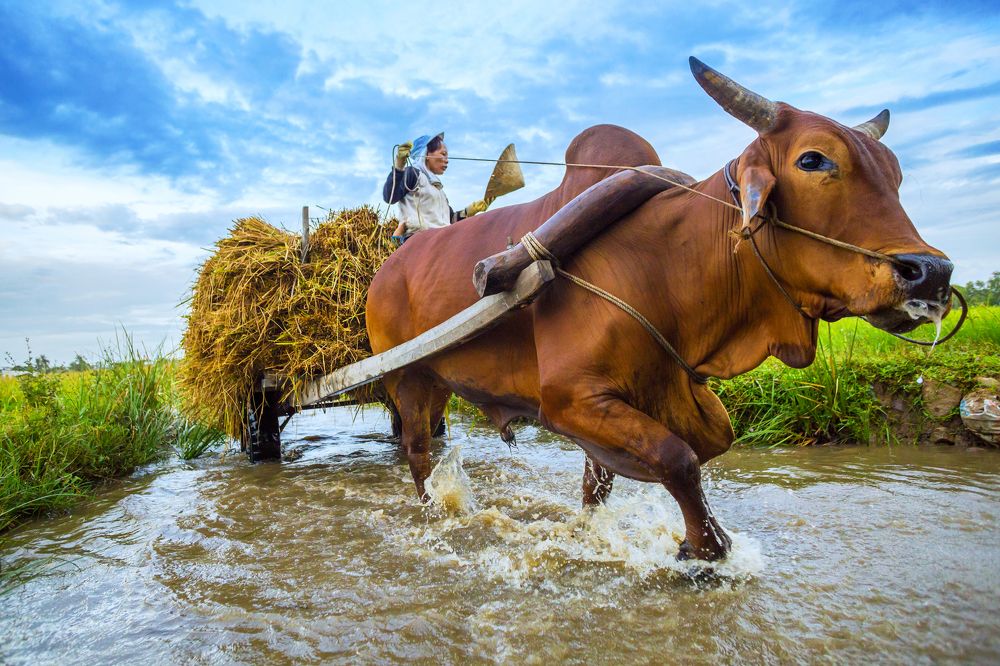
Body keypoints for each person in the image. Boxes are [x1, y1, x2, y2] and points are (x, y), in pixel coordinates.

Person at [382, 132, 488, 244]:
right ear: (426, 154)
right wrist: (399, 165)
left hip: (443, 240)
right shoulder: (413, 174)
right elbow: (390, 197)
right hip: (419, 242)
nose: (447, 160)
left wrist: (471, 210)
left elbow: (450, 220)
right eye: (443, 154)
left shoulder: (438, 190)